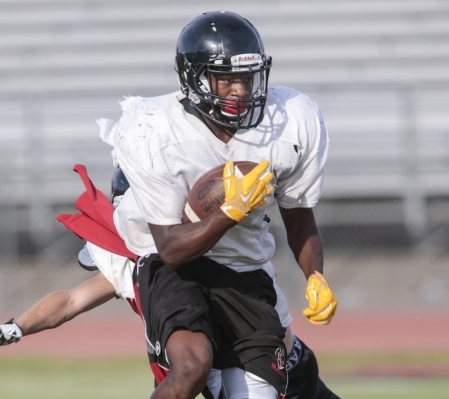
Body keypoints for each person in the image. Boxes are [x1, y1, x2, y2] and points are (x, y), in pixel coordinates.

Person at [102, 10, 338, 399]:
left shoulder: (292, 120)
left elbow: (298, 217)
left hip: (245, 267)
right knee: (193, 368)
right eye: (226, 79)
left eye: (247, 78)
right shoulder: (152, 129)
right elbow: (171, 249)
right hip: (172, 268)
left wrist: (315, 274)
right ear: (194, 79)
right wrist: (230, 212)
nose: (240, 91)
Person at [0, 165, 339, 399]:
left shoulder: (206, 235)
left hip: (284, 362)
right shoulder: (140, 260)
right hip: (245, 372)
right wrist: (15, 327)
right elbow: (72, 299)